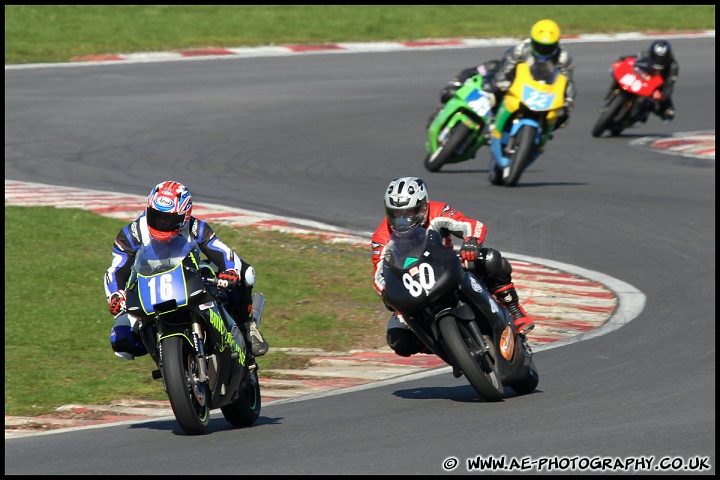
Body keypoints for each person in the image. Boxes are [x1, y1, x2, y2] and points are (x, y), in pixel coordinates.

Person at [103, 180, 269, 360]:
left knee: (245, 272)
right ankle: (166, 361)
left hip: (189, 279)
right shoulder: (131, 234)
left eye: (169, 219)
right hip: (148, 288)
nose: (161, 223)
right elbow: (115, 269)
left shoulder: (196, 227)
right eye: (156, 216)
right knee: (121, 342)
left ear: (184, 217)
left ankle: (247, 327)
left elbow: (223, 253)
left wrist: (230, 272)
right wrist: (115, 294)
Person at [371, 176, 534, 358]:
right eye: (396, 214)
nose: (403, 220)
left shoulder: (437, 211)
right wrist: (386, 291)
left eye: (409, 212)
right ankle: (447, 347)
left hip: (446, 267)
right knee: (398, 339)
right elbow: (378, 272)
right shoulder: (381, 236)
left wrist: (471, 241)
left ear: (423, 206)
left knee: (489, 258)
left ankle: (514, 309)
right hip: (413, 286)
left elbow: (470, 225)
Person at [433, 19, 576, 131]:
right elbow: (505, 68)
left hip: (542, 90)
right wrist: (502, 84)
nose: (543, 50)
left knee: (561, 117)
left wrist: (567, 104)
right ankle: (458, 82)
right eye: (540, 46)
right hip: (514, 80)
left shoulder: (563, 58)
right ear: (532, 41)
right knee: (492, 67)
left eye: (548, 47)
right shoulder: (521, 49)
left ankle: (535, 136)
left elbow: (568, 83)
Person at [616, 39, 678, 122]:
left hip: (659, 86)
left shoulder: (673, 67)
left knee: (669, 114)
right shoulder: (647, 54)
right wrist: (621, 60)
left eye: (662, 59)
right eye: (656, 58)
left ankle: (644, 111)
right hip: (645, 76)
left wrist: (661, 95)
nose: (658, 62)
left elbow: (669, 85)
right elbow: (634, 58)